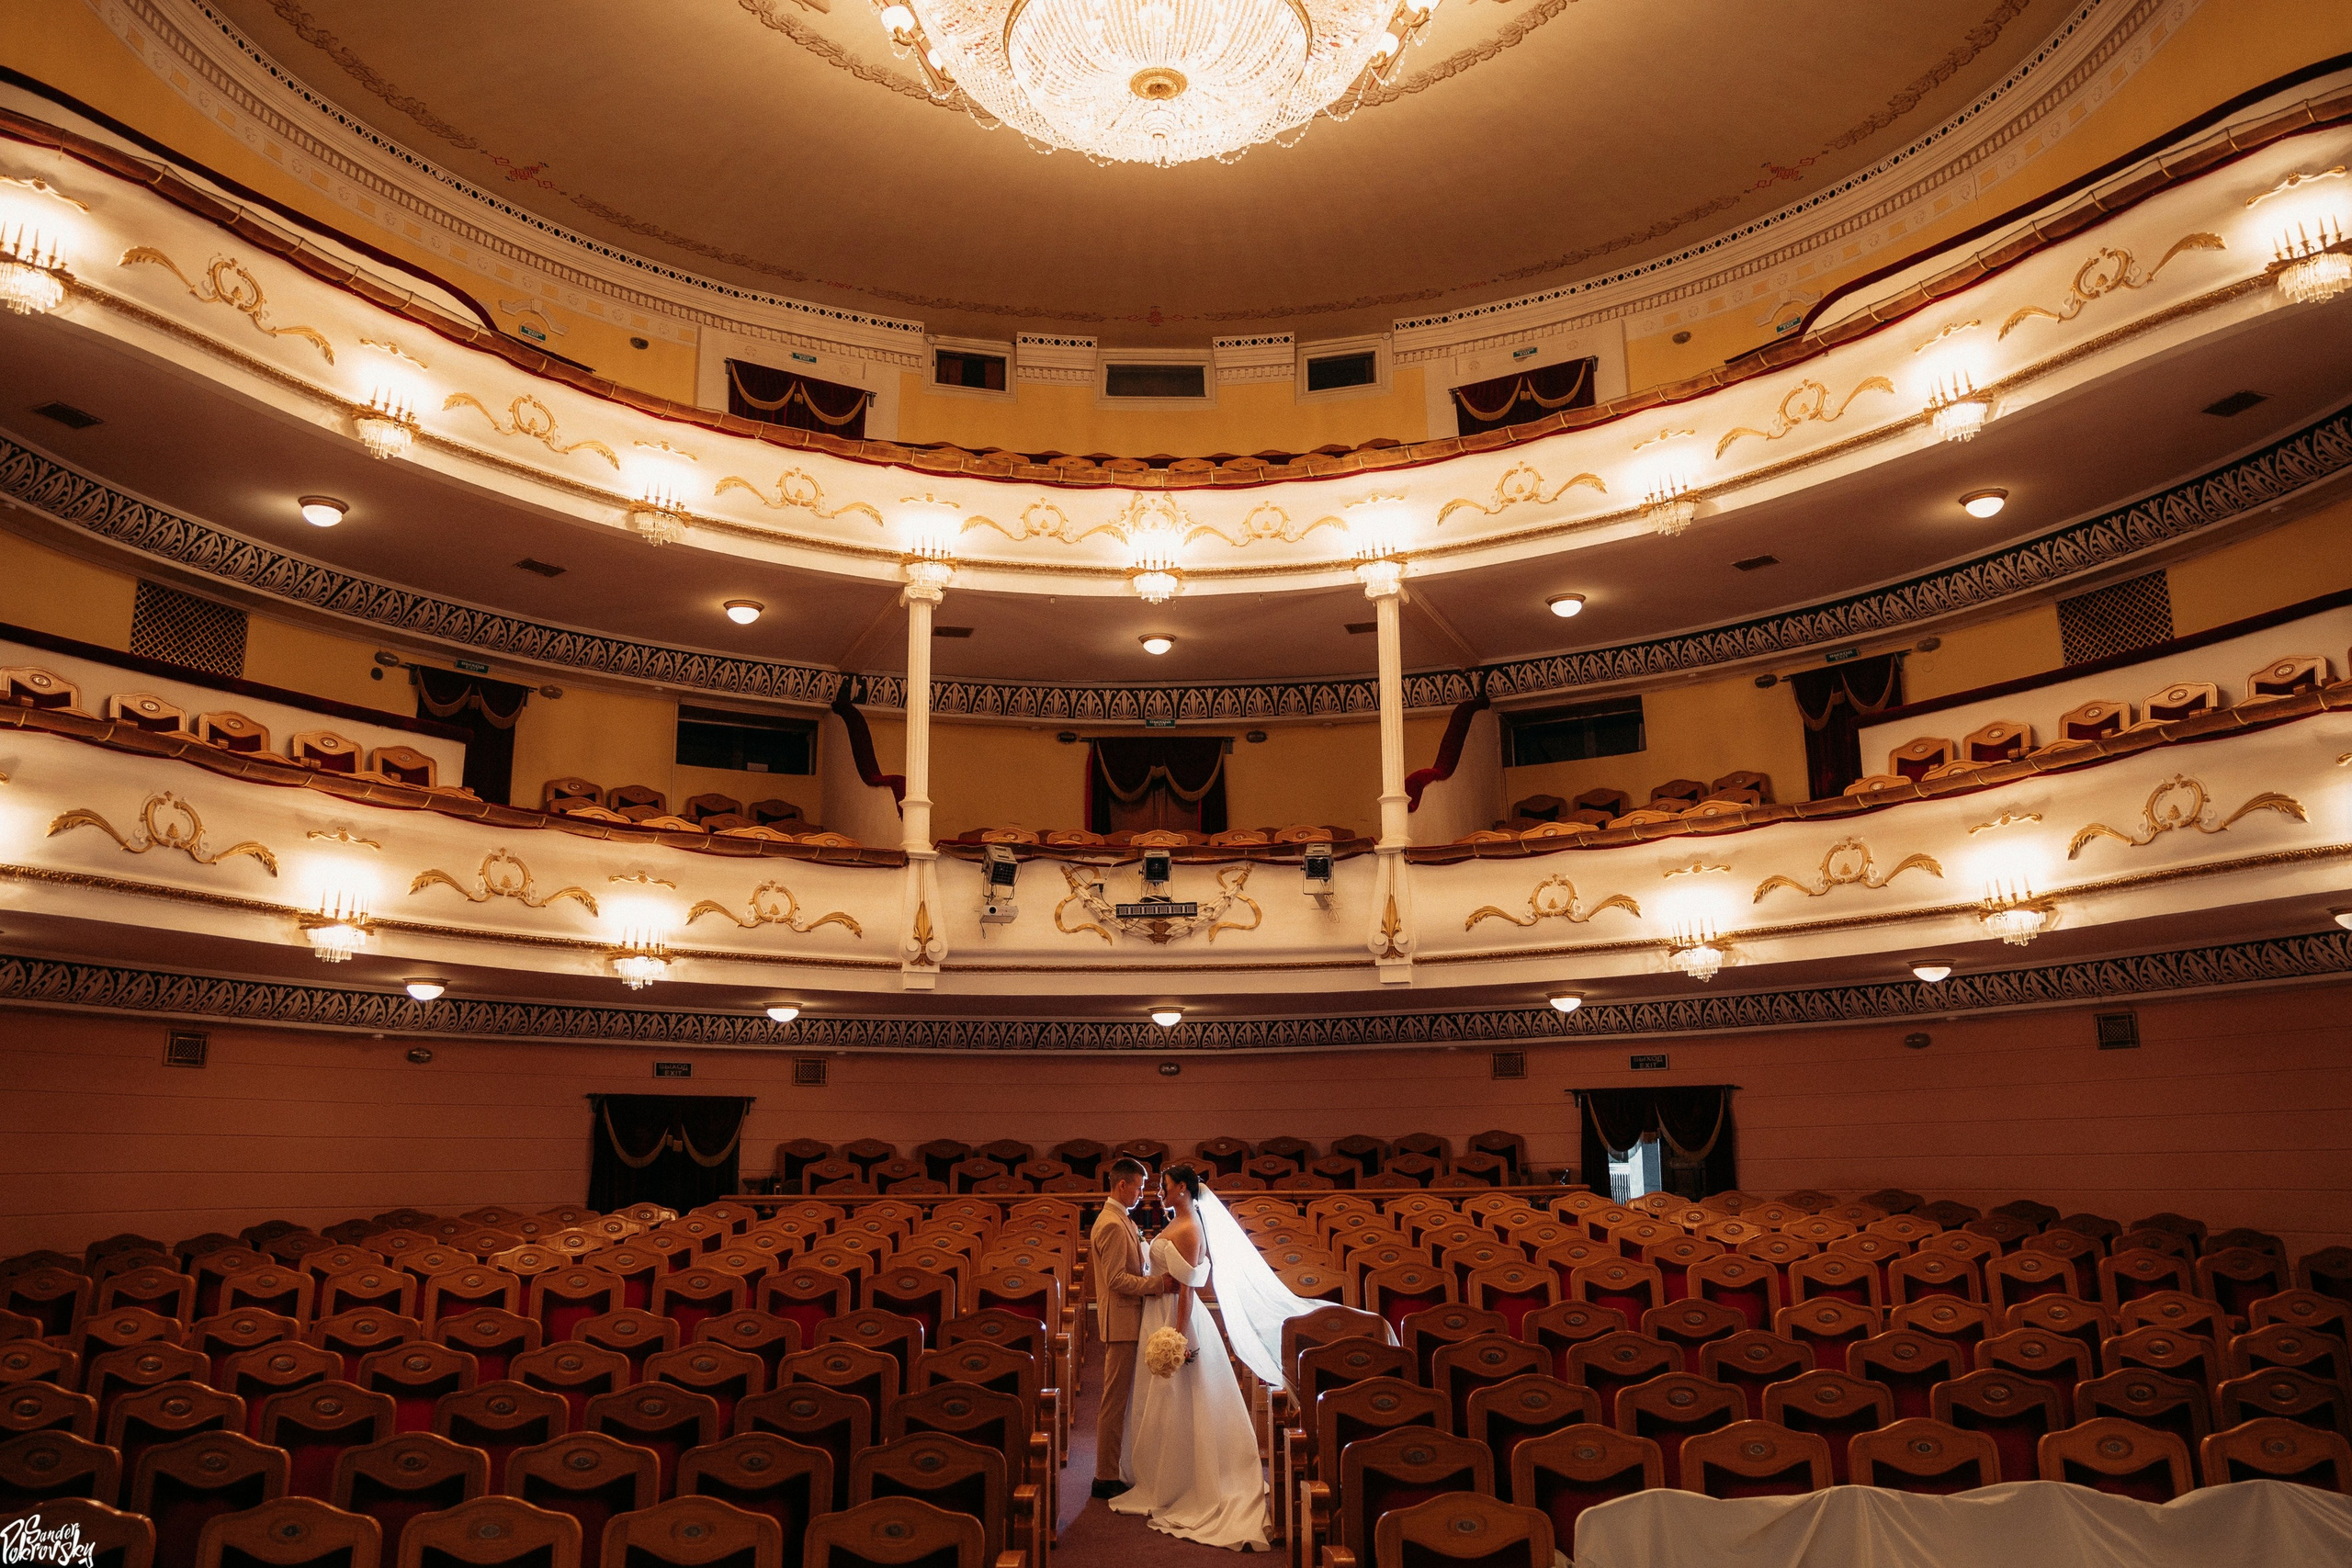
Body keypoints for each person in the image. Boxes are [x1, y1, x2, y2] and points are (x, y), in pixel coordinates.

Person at [1109, 1162, 1311, 1550]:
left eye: (1165, 1186)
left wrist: (1177, 1338)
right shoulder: (1176, 1220)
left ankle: (1184, 1479)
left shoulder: (1188, 1228)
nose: (1159, 1192)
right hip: (1158, 1312)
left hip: (1174, 1317)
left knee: (1183, 1399)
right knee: (1160, 1399)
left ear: (1183, 1188)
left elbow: (1186, 1291)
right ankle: (1157, 1472)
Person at [1091, 1156, 1177, 1499]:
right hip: (1121, 1322)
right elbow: (1115, 1280)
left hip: (1129, 1319)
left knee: (1120, 1399)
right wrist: (1158, 1284)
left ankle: (1113, 1468)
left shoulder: (1120, 1218)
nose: (1143, 1194)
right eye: (1139, 1187)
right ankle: (1104, 1475)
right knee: (1114, 1401)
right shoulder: (1111, 1223)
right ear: (1122, 1185)